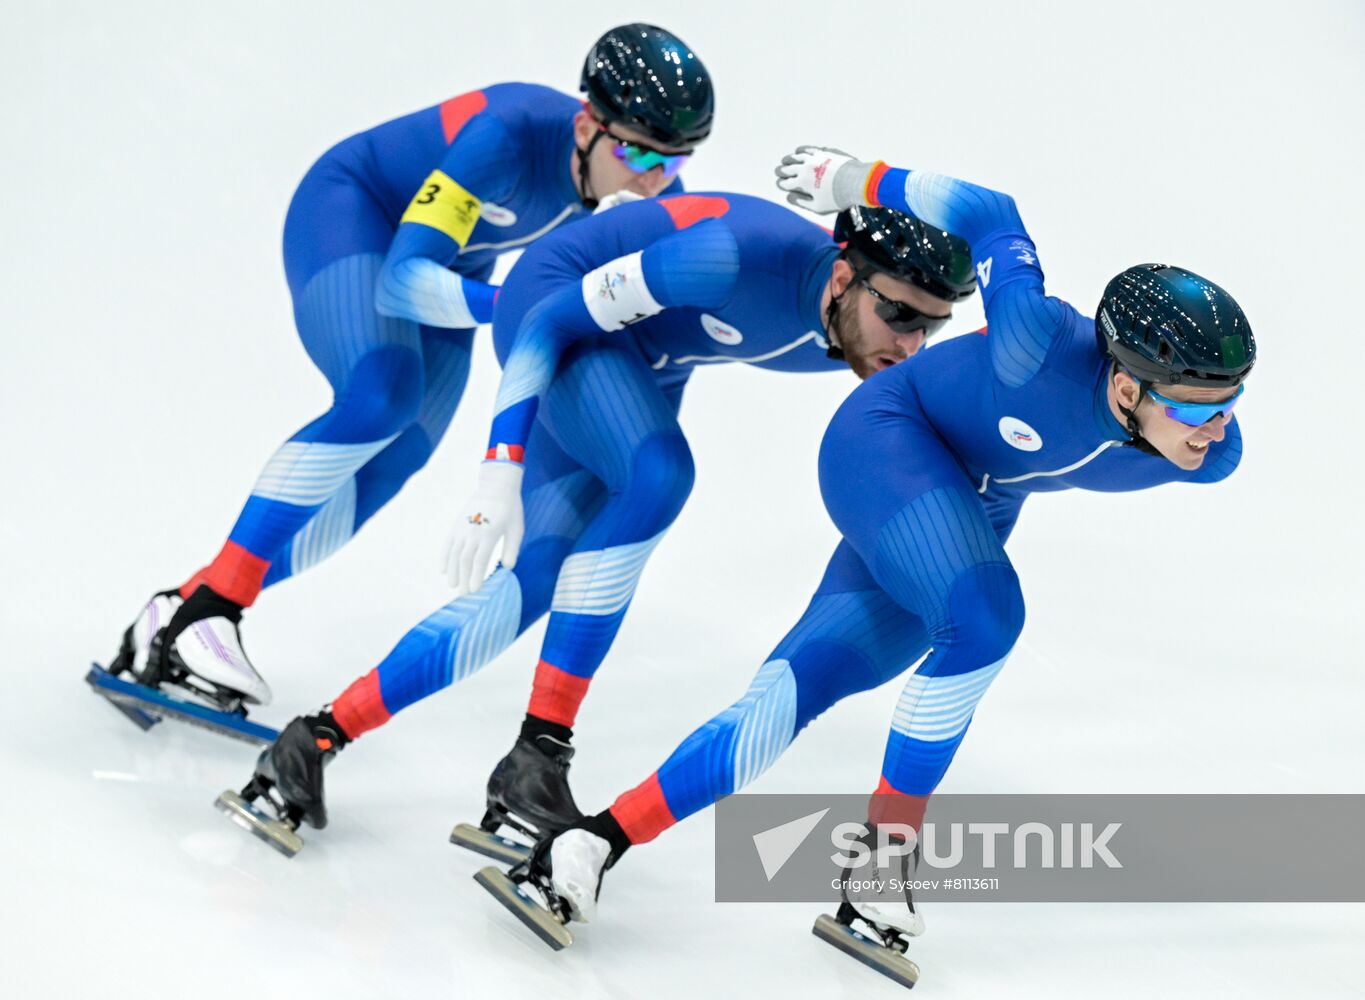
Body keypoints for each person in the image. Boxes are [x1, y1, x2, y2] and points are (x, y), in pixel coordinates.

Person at [479, 146, 1254, 983]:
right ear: (1128, 386)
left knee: (793, 692)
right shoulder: (1034, 340)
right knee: (987, 615)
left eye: (1229, 404)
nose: (1213, 430)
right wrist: (855, 181)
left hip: (966, 500)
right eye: (1193, 408)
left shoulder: (1205, 452)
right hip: (887, 440)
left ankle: (590, 842)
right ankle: (884, 864)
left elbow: (1185, 436)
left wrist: (1207, 424)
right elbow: (991, 210)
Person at [214, 191, 977, 858]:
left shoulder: (869, 334)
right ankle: (539, 752)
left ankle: (313, 740)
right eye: (898, 315)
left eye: (928, 328)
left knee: (536, 581)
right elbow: (546, 318)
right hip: (556, 318)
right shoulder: (727, 260)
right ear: (842, 277)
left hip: (642, 362)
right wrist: (497, 468)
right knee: (659, 473)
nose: (908, 344)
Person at [100, 25, 714, 732]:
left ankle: (179, 607)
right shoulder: (508, 133)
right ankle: (215, 608)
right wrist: (517, 304)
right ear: (585, 124)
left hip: (456, 266)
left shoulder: (650, 194)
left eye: (673, 161)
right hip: (356, 216)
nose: (651, 177)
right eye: (635, 150)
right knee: (381, 393)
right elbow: (399, 283)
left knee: (401, 454)